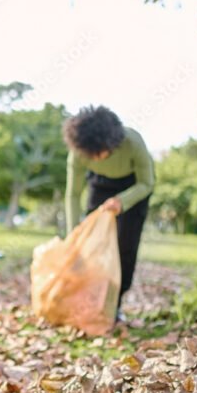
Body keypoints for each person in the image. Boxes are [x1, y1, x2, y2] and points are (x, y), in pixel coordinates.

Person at [63, 105, 155, 320]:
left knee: (125, 247)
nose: (97, 157)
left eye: (101, 152)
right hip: (100, 185)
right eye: (91, 154)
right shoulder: (78, 152)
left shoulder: (133, 142)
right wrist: (73, 234)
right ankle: (91, 300)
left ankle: (115, 305)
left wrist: (122, 201)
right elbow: (73, 195)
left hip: (134, 188)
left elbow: (147, 183)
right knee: (91, 244)